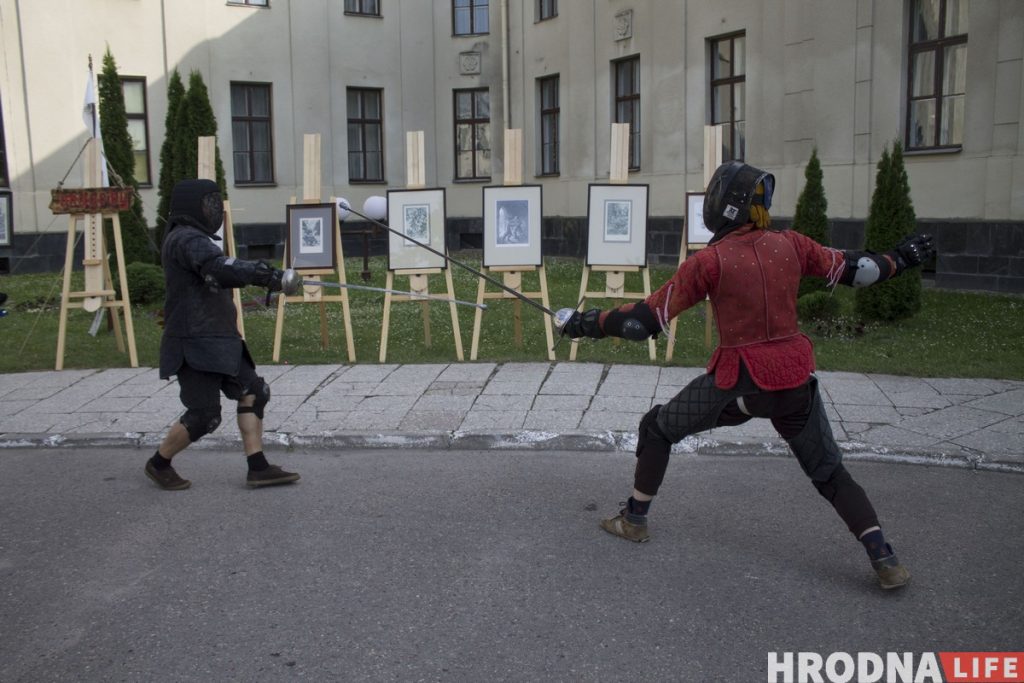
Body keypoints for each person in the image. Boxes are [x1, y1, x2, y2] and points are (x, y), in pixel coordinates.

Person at [560, 161, 935, 590]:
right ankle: (883, 557)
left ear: (722, 205)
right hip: (794, 381)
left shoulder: (711, 261)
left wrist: (583, 322)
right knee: (829, 472)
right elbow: (861, 271)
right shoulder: (791, 244)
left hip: (738, 384)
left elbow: (640, 322)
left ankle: (634, 519)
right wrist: (901, 258)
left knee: (658, 427)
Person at [146, 178, 300, 491]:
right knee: (204, 416)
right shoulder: (185, 239)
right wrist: (266, 275)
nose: (214, 209)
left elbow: (216, 269)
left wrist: (269, 278)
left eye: (216, 202)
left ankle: (257, 467)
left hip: (220, 338)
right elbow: (218, 267)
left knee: (254, 391)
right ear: (192, 207)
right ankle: (159, 463)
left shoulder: (195, 239)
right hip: (194, 342)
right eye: (209, 203)